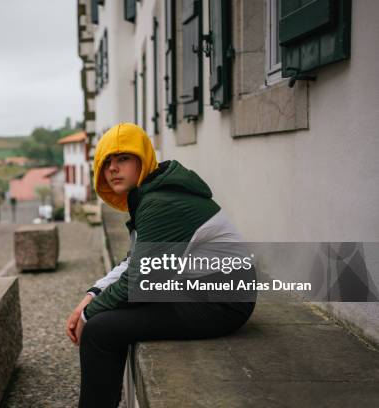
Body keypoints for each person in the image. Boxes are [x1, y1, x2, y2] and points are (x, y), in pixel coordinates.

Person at [66, 123, 256, 408]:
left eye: (123, 159)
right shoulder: (152, 194)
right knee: (105, 319)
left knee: (99, 331)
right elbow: (135, 261)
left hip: (221, 302)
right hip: (197, 289)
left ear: (143, 159)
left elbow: (139, 280)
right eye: (106, 162)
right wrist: (92, 294)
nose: (112, 169)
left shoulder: (161, 202)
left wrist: (88, 315)